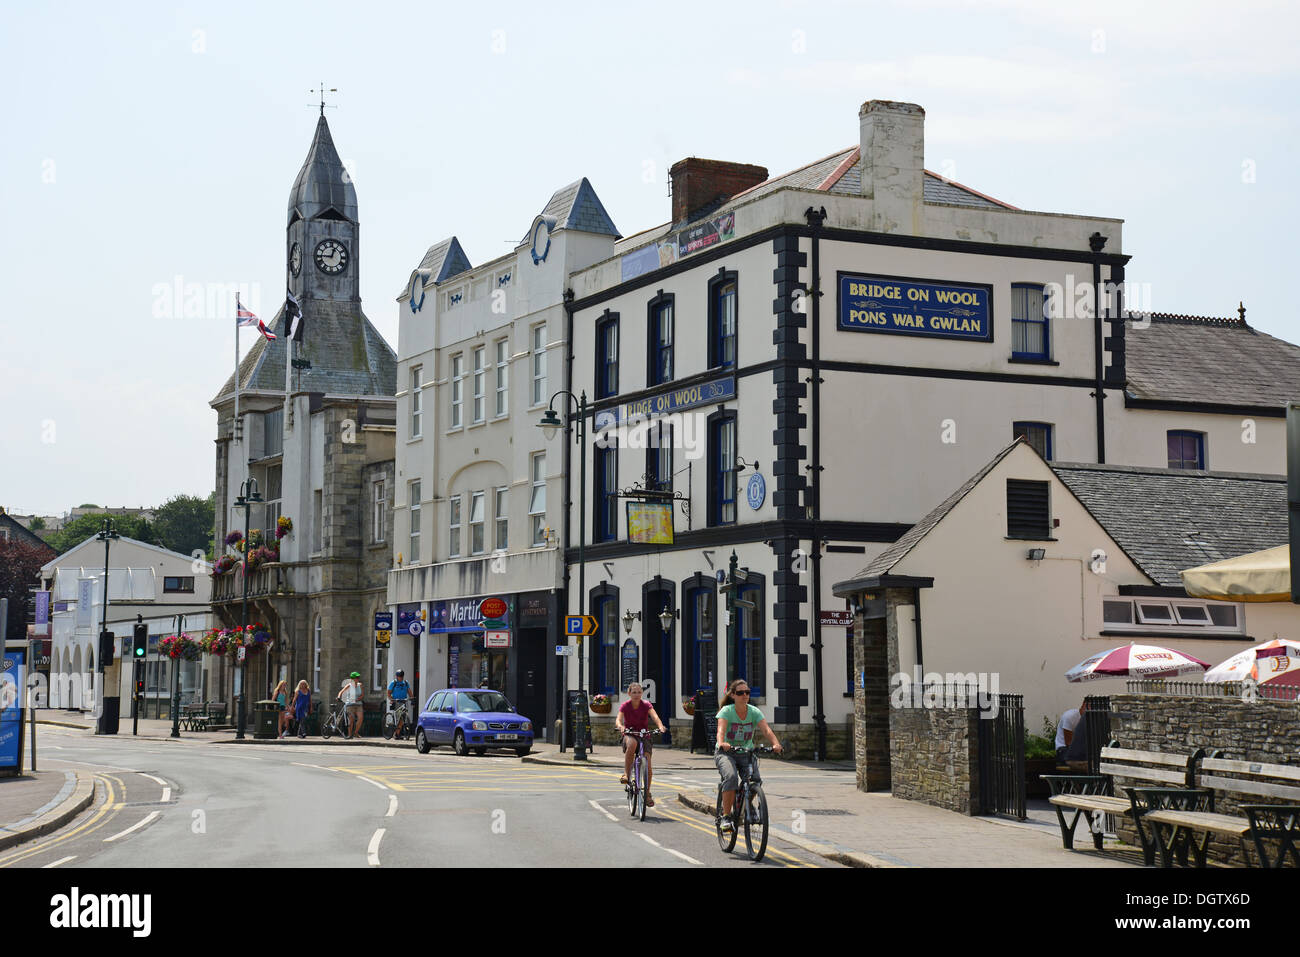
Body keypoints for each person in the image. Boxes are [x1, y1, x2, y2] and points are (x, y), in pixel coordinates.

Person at [715, 678, 782, 831]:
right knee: (731, 777)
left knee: (756, 780)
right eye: (740, 693)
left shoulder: (754, 711)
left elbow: (766, 730)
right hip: (726, 753)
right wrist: (722, 742)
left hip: (746, 752)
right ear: (733, 695)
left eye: (747, 692)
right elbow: (721, 731)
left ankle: (746, 803)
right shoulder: (727, 711)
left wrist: (775, 744)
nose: (745, 695)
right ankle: (726, 816)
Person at [615, 682, 667, 807]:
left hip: (644, 736)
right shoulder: (625, 706)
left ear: (642, 693)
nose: (637, 695)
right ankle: (626, 774)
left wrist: (660, 726)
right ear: (629, 693)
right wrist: (620, 726)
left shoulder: (646, 705)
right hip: (630, 734)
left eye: (639, 692)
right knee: (632, 744)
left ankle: (647, 793)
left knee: (648, 766)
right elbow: (618, 719)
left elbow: (655, 716)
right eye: (634, 692)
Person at [338, 671, 364, 739]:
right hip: (350, 704)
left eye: (358, 677)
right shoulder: (349, 685)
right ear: (352, 678)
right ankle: (350, 734)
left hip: (358, 704)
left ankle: (355, 732)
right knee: (351, 720)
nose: (358, 678)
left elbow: (362, 695)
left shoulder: (360, 685)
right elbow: (341, 692)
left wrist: (358, 698)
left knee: (360, 718)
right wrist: (338, 697)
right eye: (357, 677)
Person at [387, 669, 412, 738]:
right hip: (396, 702)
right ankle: (397, 733)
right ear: (397, 676)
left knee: (403, 717)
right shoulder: (393, 683)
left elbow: (409, 692)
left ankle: (397, 733)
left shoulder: (406, 683)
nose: (400, 678)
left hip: (404, 701)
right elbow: (388, 693)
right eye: (399, 676)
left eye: (401, 676)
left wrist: (412, 699)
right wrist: (391, 699)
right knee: (399, 718)